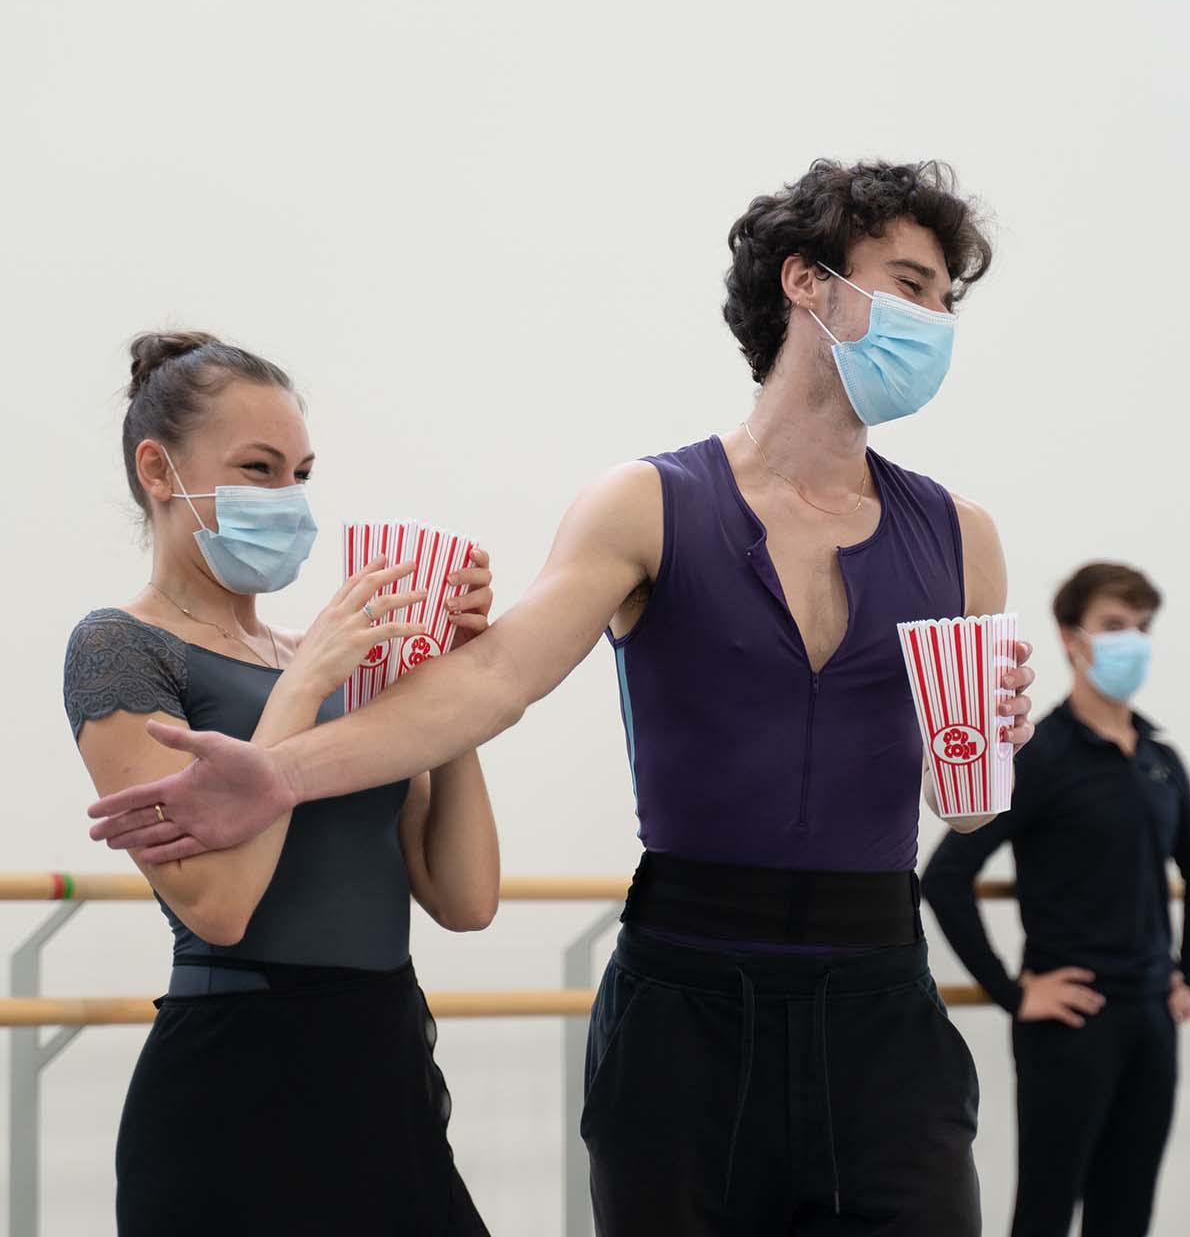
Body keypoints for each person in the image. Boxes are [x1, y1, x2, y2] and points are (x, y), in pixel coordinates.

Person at [86, 161, 1036, 1235]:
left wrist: (998, 739)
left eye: (949, 300)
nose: (937, 322)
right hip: (687, 999)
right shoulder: (648, 501)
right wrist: (278, 773)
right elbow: (494, 676)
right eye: (911, 285)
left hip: (880, 1003)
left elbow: (965, 803)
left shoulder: (964, 537)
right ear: (808, 284)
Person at [62, 331, 499, 1235]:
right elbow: (218, 908)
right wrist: (303, 685)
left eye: (300, 473)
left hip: (384, 1065)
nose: (288, 499)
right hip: (235, 1081)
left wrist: (447, 692)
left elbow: (465, 898)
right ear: (157, 469)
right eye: (258, 469)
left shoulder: (333, 662)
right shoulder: (120, 648)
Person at [921, 562, 1190, 1237]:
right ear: (1070, 639)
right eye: (1115, 626)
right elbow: (945, 875)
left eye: (1142, 628)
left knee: (1127, 1210)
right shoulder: (1041, 754)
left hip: (1151, 1018)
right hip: (1070, 1024)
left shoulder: (1159, 757)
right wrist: (1013, 991)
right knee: (1048, 1211)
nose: (1131, 641)